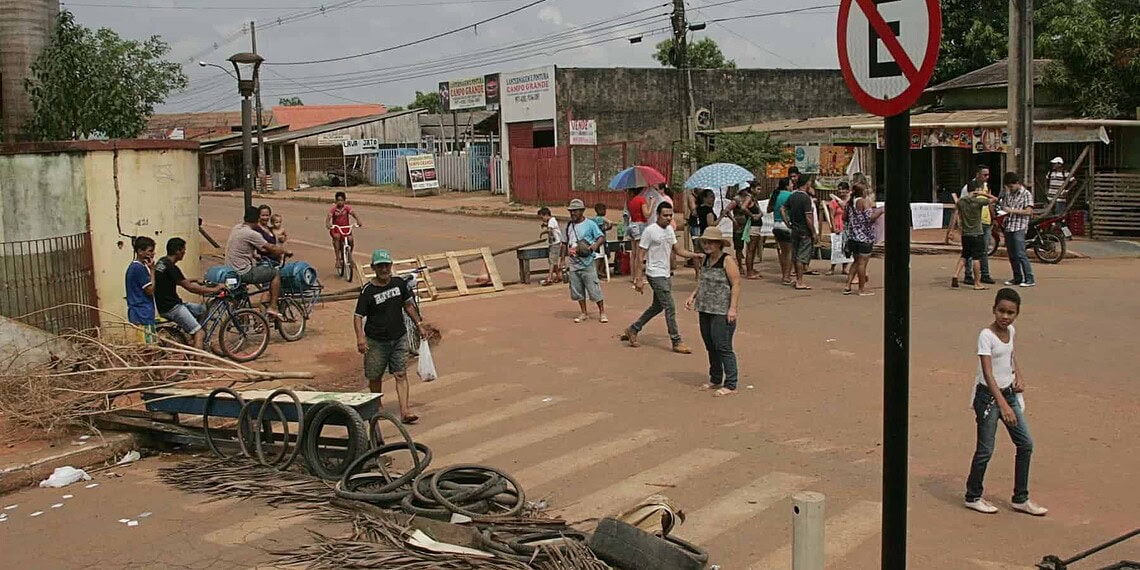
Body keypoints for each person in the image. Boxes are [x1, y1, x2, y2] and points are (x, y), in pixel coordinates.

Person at [964, 288, 1047, 517]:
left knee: (1025, 444)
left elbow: (1010, 356)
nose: (1005, 316)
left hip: (1009, 394)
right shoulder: (986, 336)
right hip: (989, 399)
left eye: (1011, 312)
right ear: (994, 310)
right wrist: (1003, 405)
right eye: (1001, 311)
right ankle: (973, 495)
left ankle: (1021, 497)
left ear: (1017, 314)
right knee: (985, 449)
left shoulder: (1011, 331)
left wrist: (1018, 375)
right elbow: (988, 373)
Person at [354, 249, 430, 425]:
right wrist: (360, 338)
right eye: (380, 266)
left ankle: (405, 411)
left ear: (391, 266)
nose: (384, 269)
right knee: (375, 377)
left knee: (401, 373)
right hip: (376, 341)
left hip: (399, 337)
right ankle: (378, 408)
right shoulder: (368, 291)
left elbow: (408, 305)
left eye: (386, 265)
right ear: (374, 267)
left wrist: (419, 325)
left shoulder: (399, 284)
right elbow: (358, 316)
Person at [624, 202, 702, 353]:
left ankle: (633, 329)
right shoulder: (650, 231)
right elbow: (640, 255)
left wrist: (695, 255)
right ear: (658, 215)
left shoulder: (669, 231)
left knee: (658, 306)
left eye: (670, 215)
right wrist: (638, 278)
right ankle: (676, 340)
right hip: (654, 273)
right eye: (665, 215)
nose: (668, 218)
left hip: (666, 274)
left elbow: (678, 249)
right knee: (670, 306)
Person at [686, 227, 741, 397]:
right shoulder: (705, 260)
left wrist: (732, 308)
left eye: (711, 242)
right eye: (705, 242)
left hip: (721, 310)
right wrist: (693, 295)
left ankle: (731, 383)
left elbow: (736, 284)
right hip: (705, 307)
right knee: (710, 344)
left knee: (722, 345)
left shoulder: (727, 260)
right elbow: (703, 281)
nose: (707, 245)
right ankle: (715, 377)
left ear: (719, 244)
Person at [154, 237, 224, 349]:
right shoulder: (172, 267)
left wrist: (194, 280)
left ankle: (198, 342)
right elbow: (190, 288)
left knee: (203, 310)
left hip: (164, 305)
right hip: (173, 308)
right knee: (200, 333)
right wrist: (215, 289)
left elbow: (175, 281)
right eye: (183, 250)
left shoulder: (162, 262)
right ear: (177, 251)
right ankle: (197, 360)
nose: (184, 252)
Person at [226, 206, 291, 319]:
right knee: (275, 274)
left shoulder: (236, 228)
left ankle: (244, 319)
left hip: (230, 270)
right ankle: (273, 306)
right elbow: (271, 247)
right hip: (244, 271)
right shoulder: (252, 233)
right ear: (257, 219)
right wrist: (285, 251)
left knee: (240, 297)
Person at [561, 199, 608, 323]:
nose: (573, 214)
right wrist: (562, 260)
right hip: (574, 263)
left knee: (594, 288)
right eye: (571, 211)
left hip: (587, 262)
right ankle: (583, 312)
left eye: (575, 211)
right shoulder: (569, 226)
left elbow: (601, 236)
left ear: (582, 211)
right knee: (577, 290)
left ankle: (602, 312)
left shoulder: (590, 224)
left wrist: (595, 245)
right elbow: (564, 243)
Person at [952, 185, 998, 291]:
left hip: (966, 234)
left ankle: (955, 275)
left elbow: (956, 213)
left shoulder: (961, 202)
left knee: (964, 255)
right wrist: (983, 194)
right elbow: (995, 199)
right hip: (977, 233)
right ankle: (977, 283)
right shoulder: (979, 202)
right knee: (976, 258)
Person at [843, 183, 883, 296]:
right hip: (864, 237)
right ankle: (861, 289)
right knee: (862, 264)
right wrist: (881, 211)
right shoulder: (864, 202)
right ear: (864, 191)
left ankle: (848, 285)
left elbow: (844, 218)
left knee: (856, 262)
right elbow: (870, 218)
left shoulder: (850, 203)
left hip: (853, 237)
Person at [999, 172, 1037, 287]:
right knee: (1012, 255)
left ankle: (1029, 278)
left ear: (1017, 183)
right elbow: (1004, 208)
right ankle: (1017, 277)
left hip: (1019, 227)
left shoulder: (1026, 194)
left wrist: (1011, 210)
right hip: (1009, 226)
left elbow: (1029, 211)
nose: (1010, 189)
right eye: (1008, 187)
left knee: (1021, 254)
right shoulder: (1008, 194)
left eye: (1011, 186)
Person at [782, 175, 818, 291]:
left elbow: (782, 208)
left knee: (796, 254)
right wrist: (813, 232)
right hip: (804, 230)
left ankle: (798, 279)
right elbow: (808, 217)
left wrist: (787, 222)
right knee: (801, 257)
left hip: (795, 229)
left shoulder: (793, 196)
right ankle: (800, 281)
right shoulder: (805, 198)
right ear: (807, 184)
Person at [962, 166, 996, 286]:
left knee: (984, 250)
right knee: (971, 251)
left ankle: (985, 274)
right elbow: (962, 205)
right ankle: (968, 274)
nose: (987, 177)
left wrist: (993, 217)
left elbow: (990, 203)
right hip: (973, 223)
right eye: (984, 175)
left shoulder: (987, 187)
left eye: (987, 175)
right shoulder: (969, 187)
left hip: (986, 222)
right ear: (978, 175)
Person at [125, 236, 157, 344]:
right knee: (148, 347)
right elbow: (150, 290)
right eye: (150, 251)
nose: (152, 254)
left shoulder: (135, 267)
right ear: (140, 251)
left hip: (139, 312)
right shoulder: (138, 268)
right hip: (143, 313)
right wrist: (152, 270)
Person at [326, 191, 363, 272]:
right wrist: (328, 224)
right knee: (337, 238)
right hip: (336, 229)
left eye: (342, 200)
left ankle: (350, 256)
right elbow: (329, 217)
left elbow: (354, 214)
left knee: (350, 240)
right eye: (338, 200)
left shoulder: (347, 208)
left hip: (345, 228)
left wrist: (358, 220)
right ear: (336, 201)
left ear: (344, 200)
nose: (340, 202)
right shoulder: (334, 209)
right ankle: (338, 260)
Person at [768, 177, 794, 285]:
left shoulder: (774, 195)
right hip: (786, 225)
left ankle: (785, 274)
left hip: (776, 225)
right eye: (791, 183)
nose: (793, 185)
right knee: (789, 253)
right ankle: (786, 276)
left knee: (783, 252)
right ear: (787, 185)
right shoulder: (790, 196)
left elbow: (769, 209)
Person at [625, 188, 650, 282]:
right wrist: (651, 204)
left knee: (634, 253)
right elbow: (646, 214)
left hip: (632, 225)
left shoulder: (631, 201)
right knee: (640, 253)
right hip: (640, 225)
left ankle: (633, 276)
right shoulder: (641, 199)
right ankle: (638, 277)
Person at [828, 182, 853, 276]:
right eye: (839, 189)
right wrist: (834, 227)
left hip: (847, 227)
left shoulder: (850, 201)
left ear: (847, 190)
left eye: (843, 189)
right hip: (838, 226)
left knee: (846, 248)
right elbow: (831, 215)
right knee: (836, 248)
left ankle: (845, 268)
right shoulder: (834, 202)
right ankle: (832, 268)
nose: (841, 191)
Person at [538, 207, 562, 286]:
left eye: (542, 217)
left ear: (546, 215)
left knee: (552, 261)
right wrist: (545, 225)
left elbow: (549, 230)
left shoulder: (551, 221)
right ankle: (558, 276)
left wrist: (542, 233)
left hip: (555, 243)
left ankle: (549, 278)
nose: (542, 220)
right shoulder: (551, 221)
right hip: (554, 243)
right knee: (554, 260)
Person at [592, 203, 615, 277]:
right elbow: (600, 229)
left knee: (603, 255)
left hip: (598, 240)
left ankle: (600, 270)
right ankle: (599, 270)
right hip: (601, 241)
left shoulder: (596, 219)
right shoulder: (599, 219)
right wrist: (608, 227)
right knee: (603, 255)